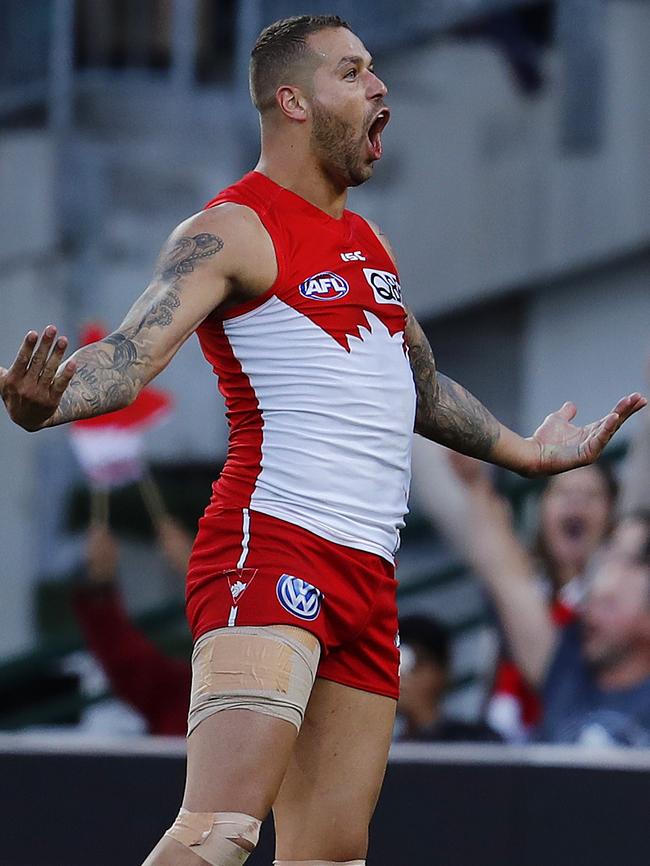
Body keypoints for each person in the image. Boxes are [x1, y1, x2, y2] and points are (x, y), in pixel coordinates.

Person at [0, 14, 646, 866]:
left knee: (330, 858)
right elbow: (126, 353)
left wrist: (527, 452)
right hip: (271, 548)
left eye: (376, 69)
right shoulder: (234, 227)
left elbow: (416, 388)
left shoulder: (369, 244)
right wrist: (53, 400)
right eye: (355, 72)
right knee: (218, 833)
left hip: (367, 574)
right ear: (294, 100)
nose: (380, 87)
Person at [453, 463, 650, 745]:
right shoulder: (565, 671)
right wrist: (475, 483)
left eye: (609, 604)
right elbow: (506, 576)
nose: (594, 602)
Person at [73, 518, 193, 735]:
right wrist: (100, 586)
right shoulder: (182, 695)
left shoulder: (254, 680)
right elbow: (131, 665)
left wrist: (200, 572)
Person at [396, 614, 501, 743]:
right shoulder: (380, 746)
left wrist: (423, 720)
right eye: (396, 663)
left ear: (443, 671)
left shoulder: (477, 740)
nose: (403, 675)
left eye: (417, 663)